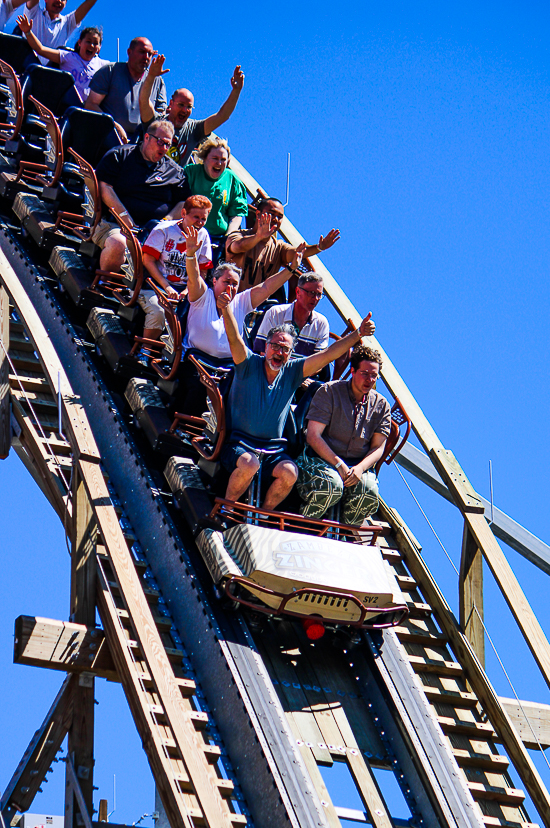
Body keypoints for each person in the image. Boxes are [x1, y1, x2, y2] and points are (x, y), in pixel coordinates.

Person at [218, 299, 376, 512]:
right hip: (239, 444)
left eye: (285, 349)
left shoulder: (292, 372)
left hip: (273, 449)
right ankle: (226, 510)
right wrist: (227, 308)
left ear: (291, 354)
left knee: (290, 472)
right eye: (275, 345)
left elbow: (328, 355)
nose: (279, 352)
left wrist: (358, 334)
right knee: (250, 464)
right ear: (266, 346)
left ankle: (264, 514)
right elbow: (234, 338)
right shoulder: (247, 363)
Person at [175, 238, 308, 417]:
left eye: (235, 284)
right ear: (214, 281)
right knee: (199, 388)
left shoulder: (241, 302)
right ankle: (183, 429)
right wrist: (190, 255)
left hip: (228, 368)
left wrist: (291, 269)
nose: (231, 287)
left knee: (240, 395)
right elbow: (193, 277)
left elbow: (267, 287)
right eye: (227, 281)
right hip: (196, 362)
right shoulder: (202, 295)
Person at [296, 344, 391, 526]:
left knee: (369, 491)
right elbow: (313, 436)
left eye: (374, 375)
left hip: (356, 465)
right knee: (331, 486)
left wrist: (361, 468)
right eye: (365, 373)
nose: (369, 380)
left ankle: (344, 532)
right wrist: (338, 464)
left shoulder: (381, 405)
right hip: (319, 459)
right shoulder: (329, 392)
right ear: (353, 371)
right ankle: (305, 527)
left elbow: (378, 447)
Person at [92, 120, 190, 274]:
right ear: (146, 137)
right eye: (160, 142)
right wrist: (124, 216)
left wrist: (164, 223)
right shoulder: (120, 155)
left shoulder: (175, 172)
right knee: (119, 243)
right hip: (115, 225)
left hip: (156, 234)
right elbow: (104, 187)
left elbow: (183, 202)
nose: (164, 148)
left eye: (168, 144)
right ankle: (106, 285)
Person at [138, 195, 213, 357]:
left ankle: (173, 358)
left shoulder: (204, 236)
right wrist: (166, 287)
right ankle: (145, 351)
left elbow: (203, 271)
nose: (199, 222)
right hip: (156, 286)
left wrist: (187, 291)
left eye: (203, 219)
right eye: (196, 217)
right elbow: (148, 260)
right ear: (184, 213)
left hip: (185, 291)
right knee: (158, 311)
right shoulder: (164, 229)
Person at [225, 197, 340, 300]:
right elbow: (238, 246)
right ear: (258, 214)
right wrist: (258, 236)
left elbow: (297, 252)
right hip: (231, 300)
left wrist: (319, 247)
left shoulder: (278, 247)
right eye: (271, 214)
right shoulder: (238, 235)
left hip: (259, 307)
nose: (275, 219)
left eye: (279, 217)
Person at [139, 57, 244, 167]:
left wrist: (236, 91)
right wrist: (151, 76)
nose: (185, 110)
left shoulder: (193, 129)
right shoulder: (156, 122)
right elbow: (143, 101)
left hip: (172, 181)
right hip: (146, 176)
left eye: (189, 107)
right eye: (181, 105)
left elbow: (222, 116)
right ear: (171, 103)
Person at [86, 37, 166, 142]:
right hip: (108, 135)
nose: (146, 57)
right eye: (142, 52)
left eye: (150, 54)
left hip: (142, 142)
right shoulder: (110, 71)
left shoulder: (157, 81)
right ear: (129, 52)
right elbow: (91, 104)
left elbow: (160, 115)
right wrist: (113, 126)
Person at [184, 136, 247, 268]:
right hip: (189, 234)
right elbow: (180, 203)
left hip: (217, 239)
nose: (219, 163)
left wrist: (228, 237)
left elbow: (237, 214)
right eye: (215, 158)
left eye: (223, 160)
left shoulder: (233, 180)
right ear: (205, 158)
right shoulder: (191, 172)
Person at [16, 15, 107, 101]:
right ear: (80, 43)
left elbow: (119, 71)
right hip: (66, 104)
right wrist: (28, 32)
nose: (91, 45)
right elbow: (40, 49)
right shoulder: (68, 57)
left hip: (87, 108)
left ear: (99, 48)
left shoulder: (103, 66)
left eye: (95, 43)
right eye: (88, 41)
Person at [253, 271, 329, 357]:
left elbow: (319, 363)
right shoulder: (275, 313)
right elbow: (263, 352)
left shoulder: (321, 323)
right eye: (311, 293)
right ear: (298, 291)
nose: (315, 298)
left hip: (304, 371)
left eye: (319, 294)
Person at [19, 0, 98, 62]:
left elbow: (88, 4)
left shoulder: (67, 23)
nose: (59, 1)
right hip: (26, 66)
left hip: (51, 73)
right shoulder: (34, 12)